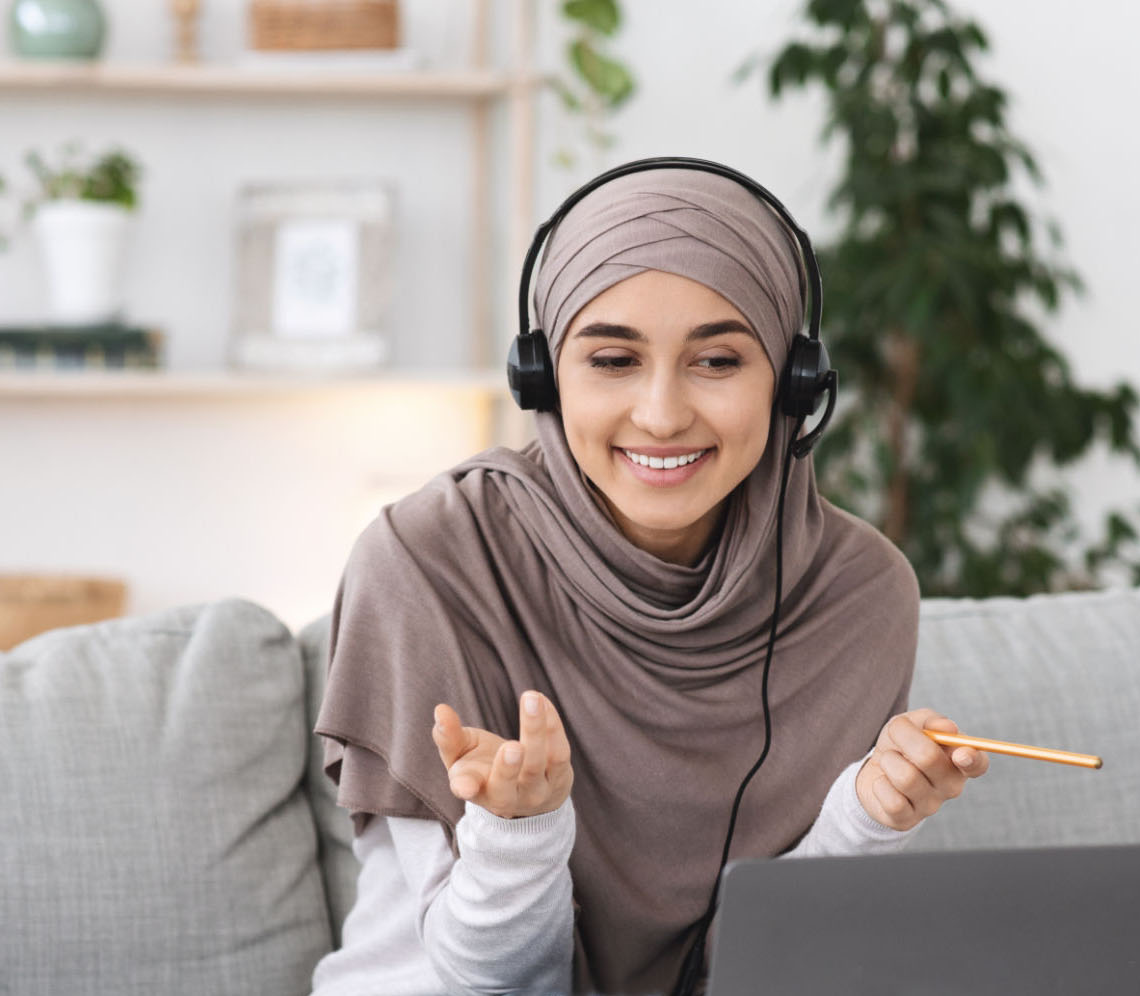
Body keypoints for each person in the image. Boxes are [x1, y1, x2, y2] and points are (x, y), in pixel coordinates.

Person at [310, 159, 989, 996]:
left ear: (794, 384)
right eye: (612, 360)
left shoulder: (855, 592)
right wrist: (519, 833)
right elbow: (481, 977)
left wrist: (867, 820)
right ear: (543, 376)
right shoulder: (427, 562)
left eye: (718, 361)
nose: (662, 414)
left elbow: (772, 964)